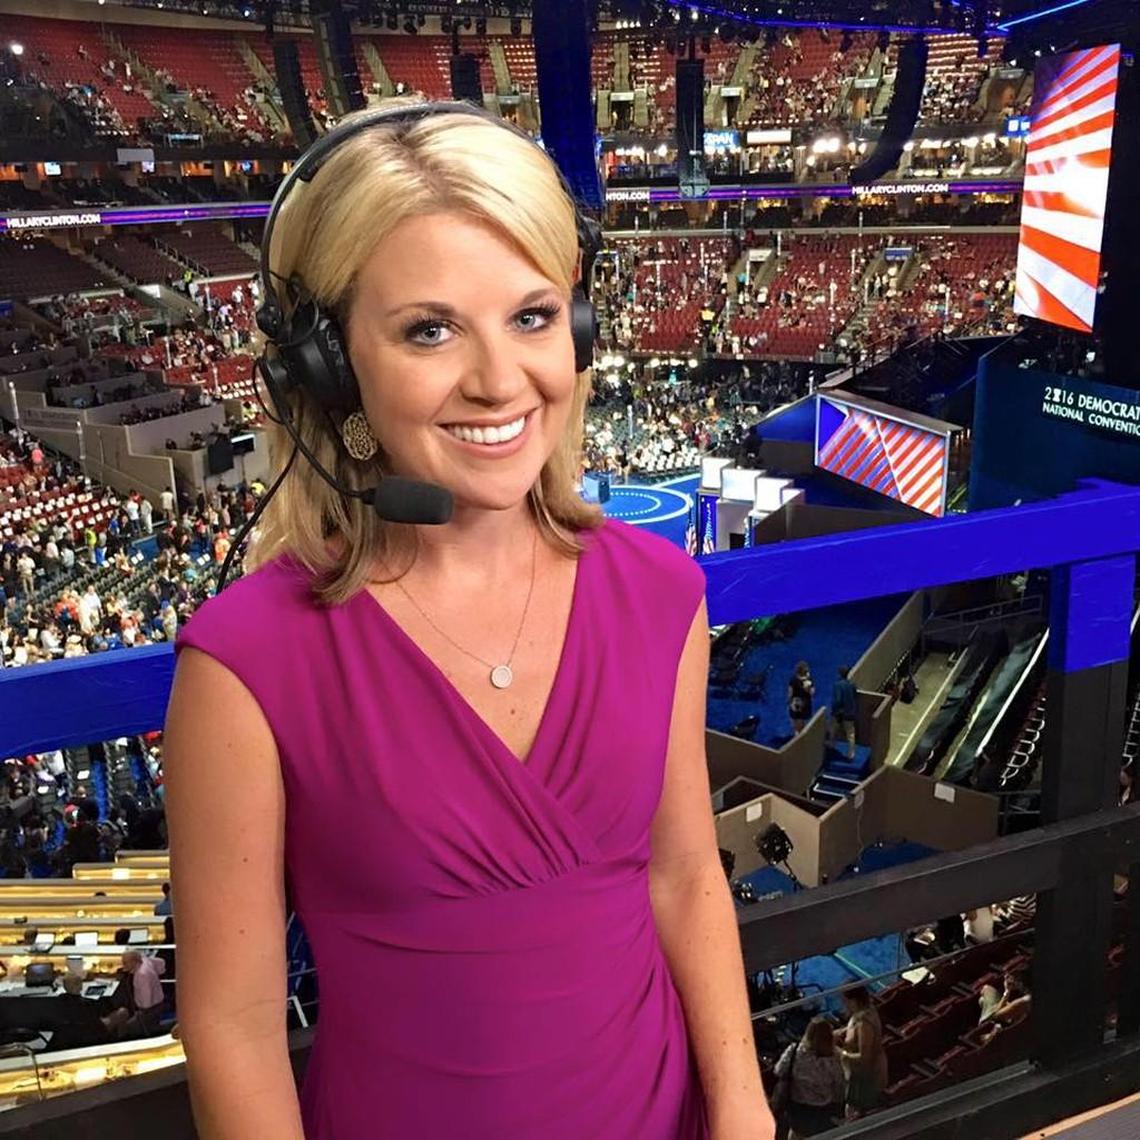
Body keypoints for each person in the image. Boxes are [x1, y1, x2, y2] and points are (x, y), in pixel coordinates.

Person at [163, 102, 772, 1140]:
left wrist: (744, 1109)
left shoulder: (662, 591)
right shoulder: (244, 666)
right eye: (429, 330)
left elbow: (683, 879)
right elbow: (234, 1026)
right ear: (329, 365)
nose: (499, 381)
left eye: (532, 317)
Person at [773, 1017, 844, 1137]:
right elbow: (839, 1085)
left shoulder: (794, 1051)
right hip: (823, 1109)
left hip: (798, 1106)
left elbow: (778, 1070)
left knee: (797, 1132)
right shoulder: (834, 1058)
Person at [836, 985, 888, 1119]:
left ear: (853, 1001)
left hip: (865, 1078)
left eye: (845, 1001)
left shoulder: (864, 1023)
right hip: (859, 1075)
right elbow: (852, 1028)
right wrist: (839, 1033)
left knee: (856, 1114)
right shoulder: (866, 1011)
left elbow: (865, 1058)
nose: (844, 1005)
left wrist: (841, 1054)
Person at [829, 665, 857, 758]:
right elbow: (855, 696)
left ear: (839, 674)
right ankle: (851, 753)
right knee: (850, 733)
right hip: (850, 712)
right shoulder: (852, 684)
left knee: (833, 729)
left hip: (839, 713)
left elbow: (837, 700)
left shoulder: (837, 685)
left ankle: (832, 744)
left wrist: (834, 710)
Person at [788, 661, 814, 735]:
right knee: (806, 727)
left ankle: (798, 738)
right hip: (806, 705)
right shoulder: (809, 680)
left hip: (795, 705)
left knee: (797, 728)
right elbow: (812, 693)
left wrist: (789, 702)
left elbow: (790, 693)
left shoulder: (793, 680)